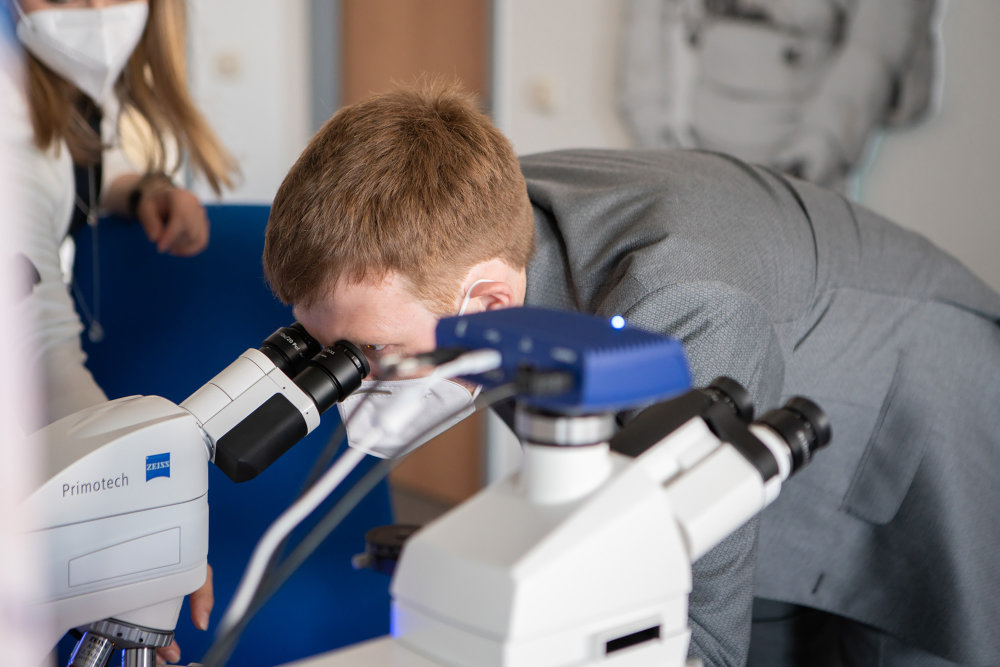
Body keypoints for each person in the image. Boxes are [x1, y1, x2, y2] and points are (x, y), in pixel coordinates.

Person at [262, 81, 1000, 666]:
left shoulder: (678, 309)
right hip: (776, 398)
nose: (356, 383)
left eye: (374, 355)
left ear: (485, 300)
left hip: (921, 438)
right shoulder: (474, 234)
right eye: (335, 353)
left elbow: (697, 640)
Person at [3, 0, 238, 662]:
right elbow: (35, 356)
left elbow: (68, 167)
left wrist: (138, 192)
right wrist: (139, 515)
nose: (90, 8)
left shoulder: (58, 101)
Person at [617, 0, 941, 192]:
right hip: (699, 140)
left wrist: (826, 138)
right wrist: (648, 109)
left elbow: (877, 40)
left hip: (802, 147)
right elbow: (647, 16)